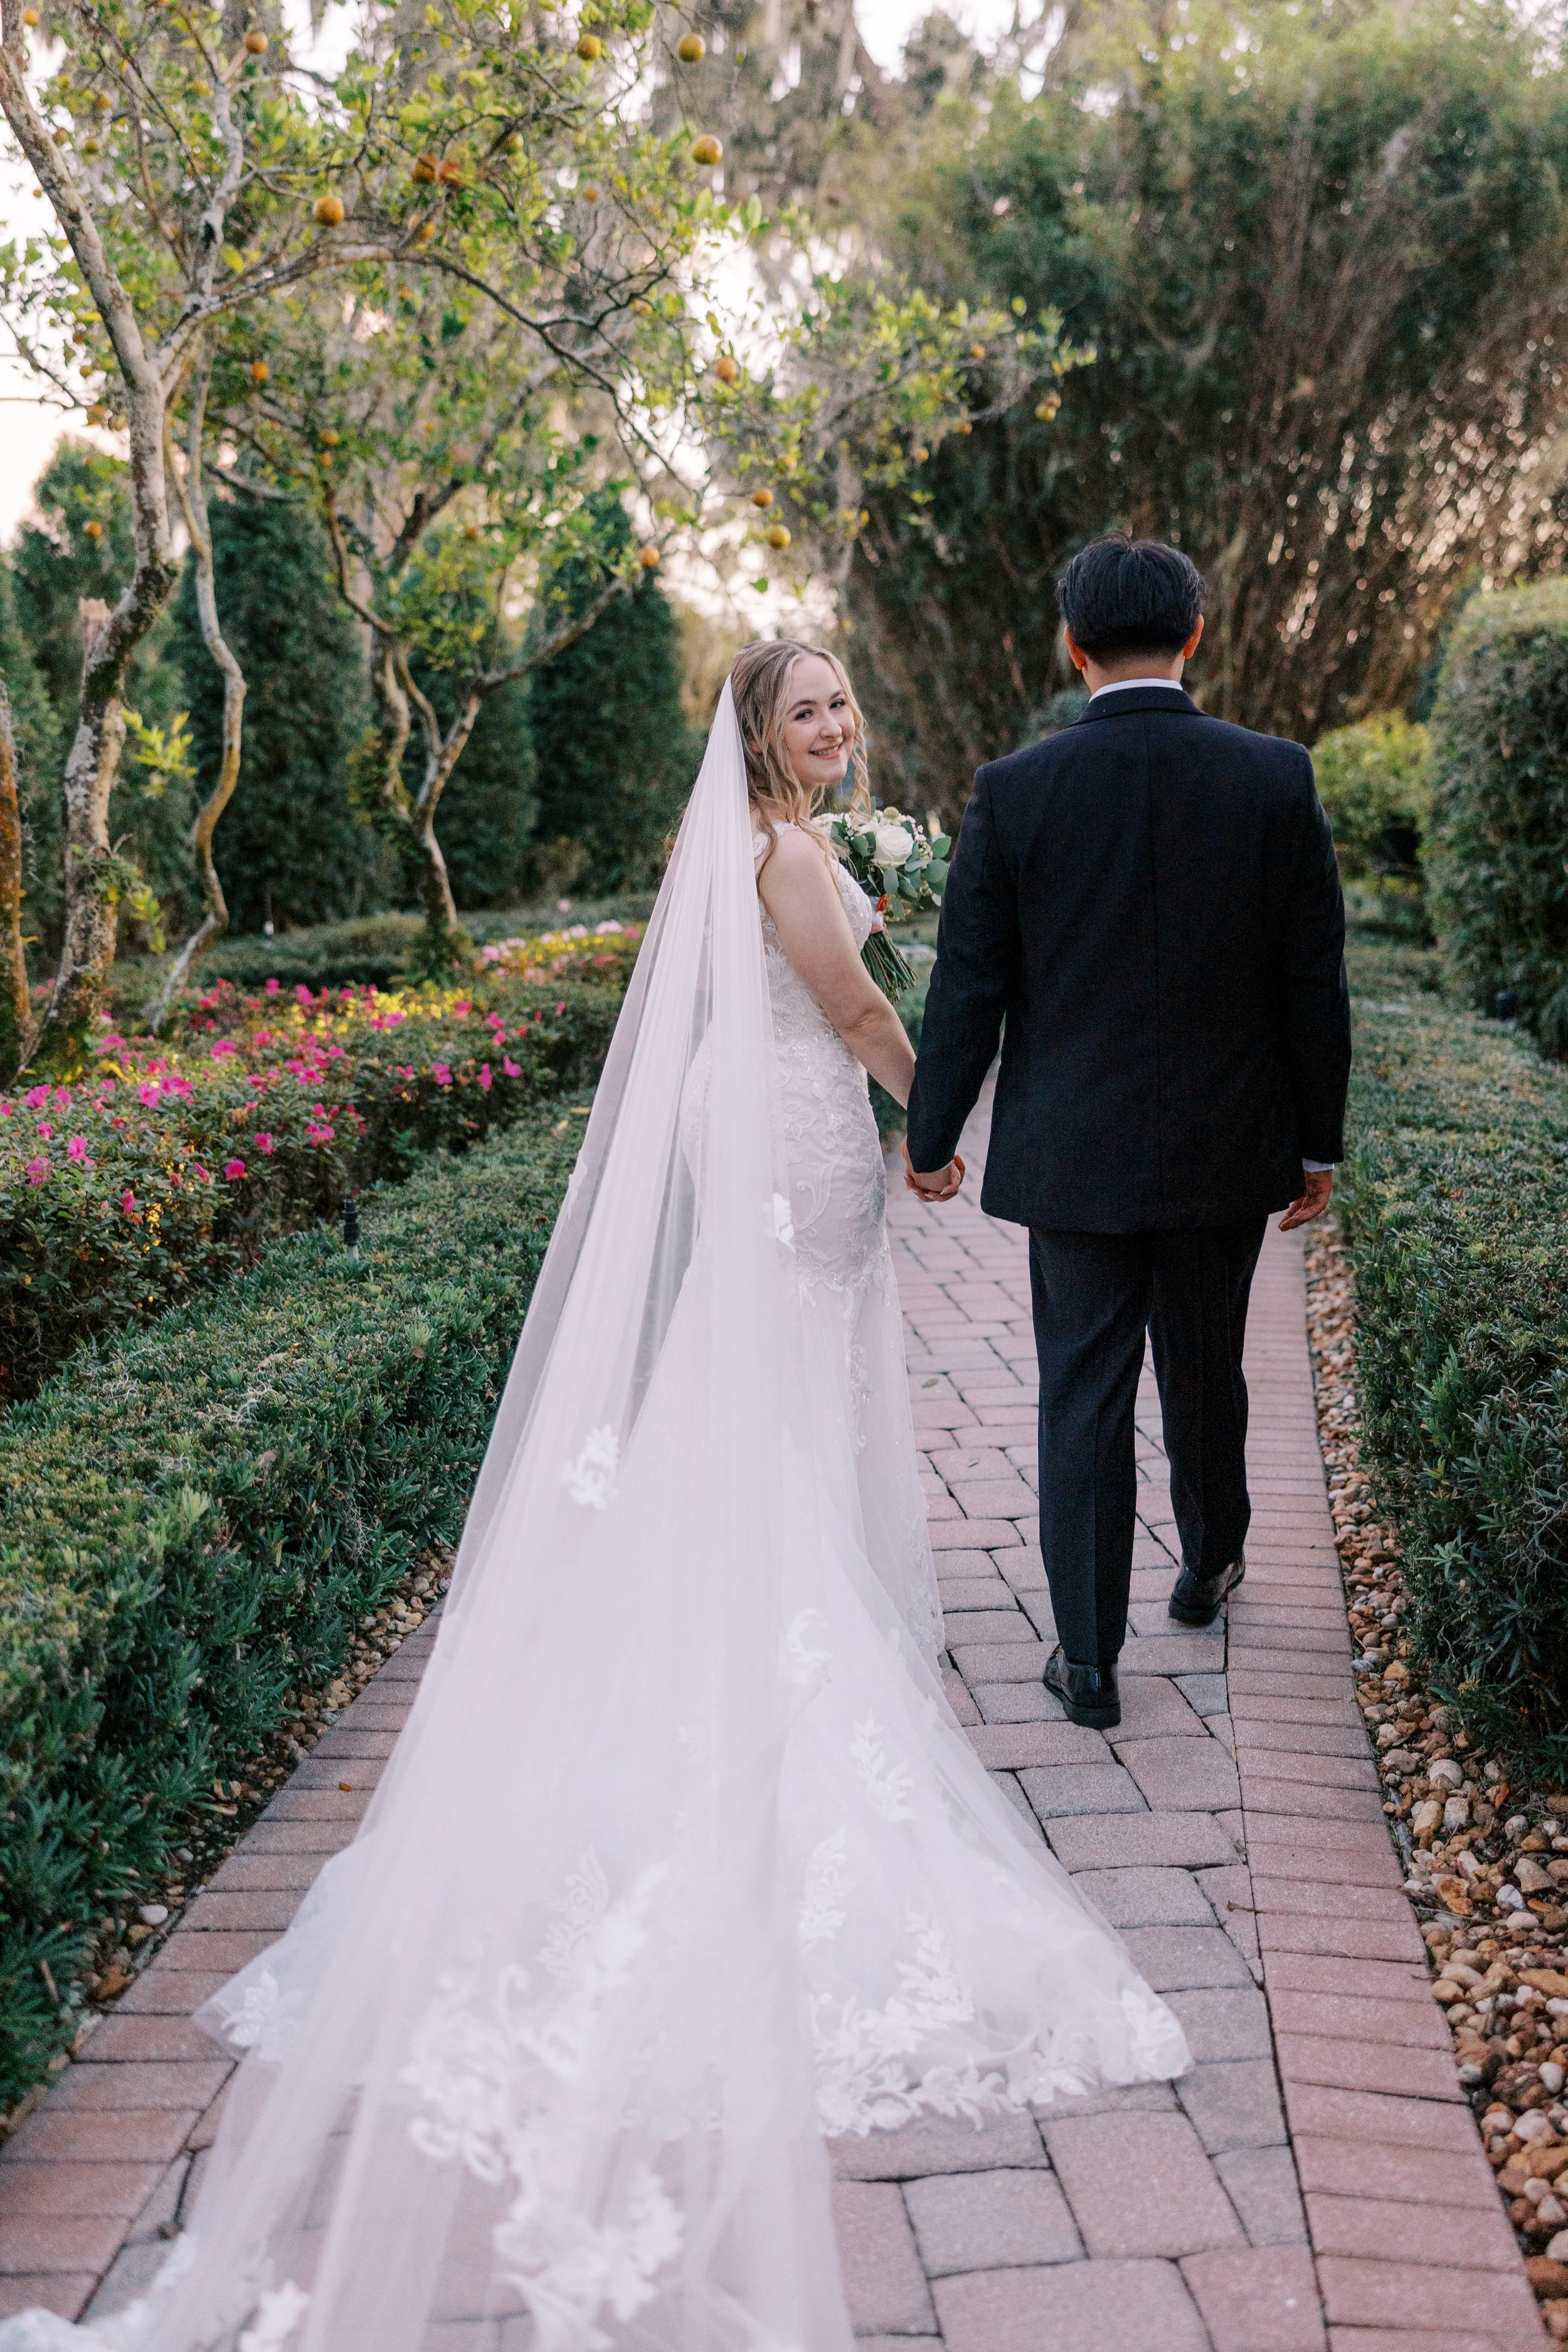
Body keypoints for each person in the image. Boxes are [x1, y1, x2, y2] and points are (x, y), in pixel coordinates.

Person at [3, 642, 1187, 2352]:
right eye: (806, 711)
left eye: (845, 699)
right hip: (793, 1136)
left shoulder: (778, 844)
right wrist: (930, 1115)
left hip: (779, 1137)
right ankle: (753, 1687)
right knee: (766, 1405)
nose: (835, 725)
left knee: (753, 1402)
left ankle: (731, 1632)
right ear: (757, 739)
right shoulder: (787, 855)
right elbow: (854, 1010)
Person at [905, 536, 1352, 1733]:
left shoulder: (1015, 789)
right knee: (1206, 1364)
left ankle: (1089, 1658)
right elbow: (1314, 979)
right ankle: (1208, 1564)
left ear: (1073, 644)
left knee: (1083, 1390)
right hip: (1224, 1152)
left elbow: (968, 985)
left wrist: (930, 1132)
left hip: (1073, 1157)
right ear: (1196, 636)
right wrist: (1320, 1144)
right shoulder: (1274, 777)